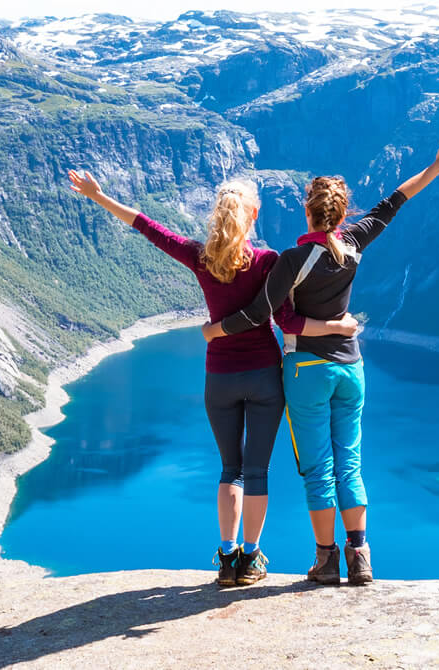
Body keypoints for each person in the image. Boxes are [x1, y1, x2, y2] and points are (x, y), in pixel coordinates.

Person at [203, 135, 439, 587]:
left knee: (317, 468)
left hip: (307, 371)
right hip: (352, 369)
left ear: (306, 210)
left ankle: (326, 560)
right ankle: (361, 556)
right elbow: (393, 202)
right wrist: (437, 166)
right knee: (350, 463)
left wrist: (216, 330)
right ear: (343, 214)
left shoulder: (290, 260)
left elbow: (266, 316)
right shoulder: (352, 244)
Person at [65, 170, 356, 587]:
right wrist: (335, 326)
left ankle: (225, 555)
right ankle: (252, 559)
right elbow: (280, 316)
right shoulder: (269, 261)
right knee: (257, 472)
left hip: (219, 376)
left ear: (218, 216)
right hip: (264, 377)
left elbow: (149, 228)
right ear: (254, 214)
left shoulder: (200, 257)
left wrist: (99, 197)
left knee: (229, 470)